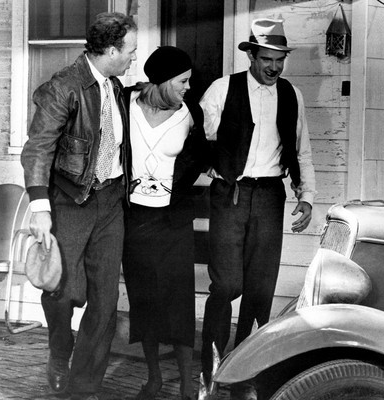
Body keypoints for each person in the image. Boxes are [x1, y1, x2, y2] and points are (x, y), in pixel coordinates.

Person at [20, 12, 137, 400]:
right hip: (70, 201)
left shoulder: (115, 87)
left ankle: (84, 387)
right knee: (62, 291)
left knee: (104, 301)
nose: (133, 57)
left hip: (110, 202)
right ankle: (59, 350)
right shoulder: (63, 87)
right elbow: (38, 149)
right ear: (110, 50)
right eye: (130, 50)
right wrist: (40, 207)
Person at [199, 18, 316, 400]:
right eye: (267, 59)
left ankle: (244, 377)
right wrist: (211, 166)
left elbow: (302, 150)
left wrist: (306, 195)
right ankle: (209, 372)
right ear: (251, 56)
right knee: (226, 285)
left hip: (269, 196)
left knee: (260, 290)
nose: (274, 67)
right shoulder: (222, 89)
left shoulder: (291, 94)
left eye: (280, 60)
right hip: (230, 194)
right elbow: (196, 137)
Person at [122, 46, 209, 400]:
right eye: (182, 81)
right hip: (135, 219)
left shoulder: (190, 113)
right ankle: (154, 378)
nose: (188, 87)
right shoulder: (126, 104)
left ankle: (187, 384)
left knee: (179, 301)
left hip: (173, 222)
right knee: (144, 300)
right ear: (161, 80)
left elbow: (201, 156)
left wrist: (180, 181)